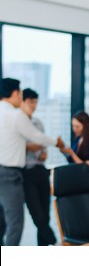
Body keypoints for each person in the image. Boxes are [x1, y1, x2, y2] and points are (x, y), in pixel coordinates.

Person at [0, 78, 64, 246]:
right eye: (20, 94)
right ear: (15, 93)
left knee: (3, 222)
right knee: (16, 223)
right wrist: (56, 142)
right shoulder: (15, 115)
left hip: (10, 173)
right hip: (10, 174)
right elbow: (35, 135)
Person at [20, 88, 57, 246]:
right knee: (38, 217)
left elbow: (42, 148)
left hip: (41, 170)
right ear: (22, 102)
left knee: (46, 216)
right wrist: (32, 146)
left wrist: (39, 150)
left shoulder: (38, 123)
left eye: (35, 102)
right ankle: (56, 244)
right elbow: (19, 147)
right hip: (25, 173)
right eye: (30, 102)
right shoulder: (17, 123)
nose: (34, 105)